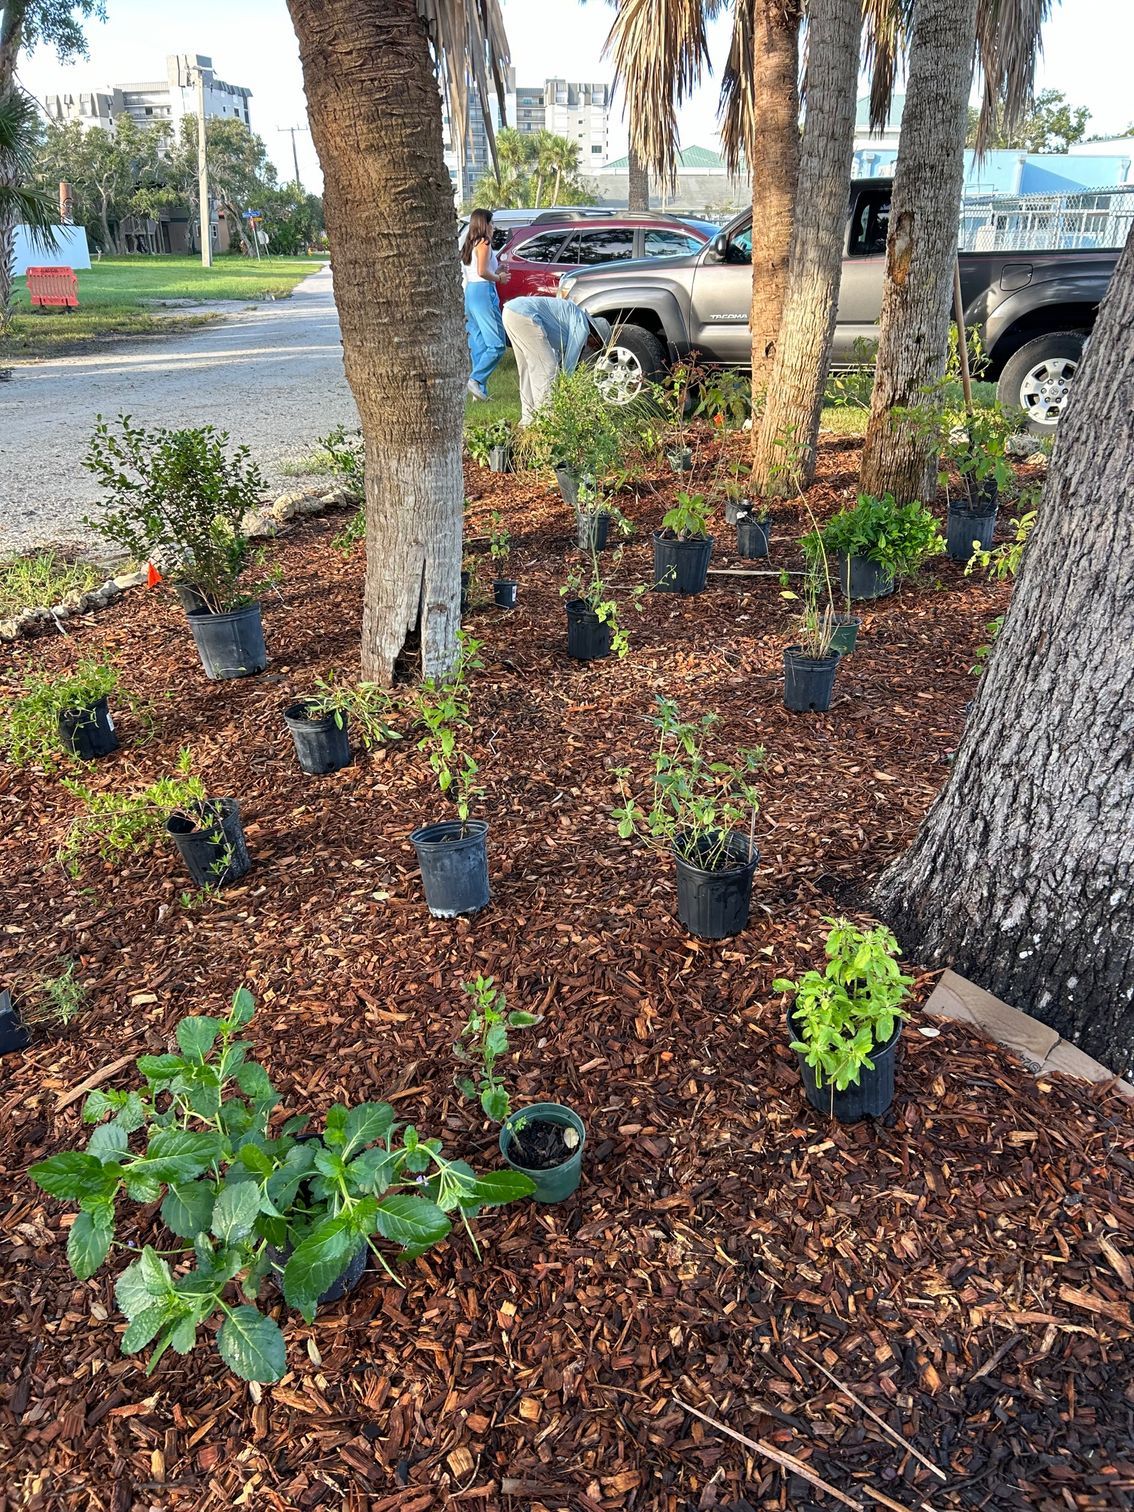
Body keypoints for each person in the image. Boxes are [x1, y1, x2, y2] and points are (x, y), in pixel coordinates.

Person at [501, 296, 613, 424]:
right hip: (524, 315)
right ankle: (546, 419)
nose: (594, 348)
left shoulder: (572, 320)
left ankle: (528, 419)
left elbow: (557, 354)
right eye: (598, 344)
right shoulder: (582, 327)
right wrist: (568, 389)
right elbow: (568, 366)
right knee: (547, 367)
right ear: (596, 335)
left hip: (511, 311)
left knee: (527, 368)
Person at [460, 208, 510, 401]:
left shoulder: (470, 243)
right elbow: (482, 272)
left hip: (470, 292)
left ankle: (479, 391)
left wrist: (496, 269)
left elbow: (477, 270)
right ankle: (475, 378)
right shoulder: (485, 243)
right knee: (497, 344)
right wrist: (499, 277)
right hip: (483, 292)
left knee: (479, 343)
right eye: (491, 222)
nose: (493, 226)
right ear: (484, 223)